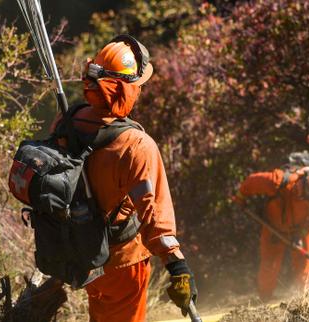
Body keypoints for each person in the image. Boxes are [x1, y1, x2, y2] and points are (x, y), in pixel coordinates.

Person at [55, 35, 196, 322]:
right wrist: (177, 267)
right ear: (124, 89)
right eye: (137, 85)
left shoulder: (67, 122)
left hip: (80, 255)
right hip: (121, 262)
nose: (140, 90)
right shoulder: (136, 145)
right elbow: (154, 215)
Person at [233, 152, 309, 300]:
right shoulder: (278, 182)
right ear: (301, 194)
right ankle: (265, 299)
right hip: (275, 227)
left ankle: (305, 299)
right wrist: (240, 198)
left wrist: (302, 232)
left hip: (303, 229)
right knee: (270, 264)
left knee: (304, 264)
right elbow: (250, 182)